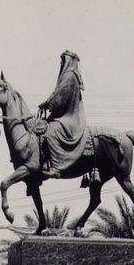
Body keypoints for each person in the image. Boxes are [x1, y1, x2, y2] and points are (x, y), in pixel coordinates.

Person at [35, 50, 86, 179]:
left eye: (63, 59)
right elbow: (57, 95)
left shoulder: (69, 76)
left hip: (69, 118)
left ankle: (56, 167)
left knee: (51, 131)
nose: (61, 62)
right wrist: (46, 103)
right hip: (64, 115)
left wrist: (47, 104)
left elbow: (59, 98)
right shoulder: (70, 76)